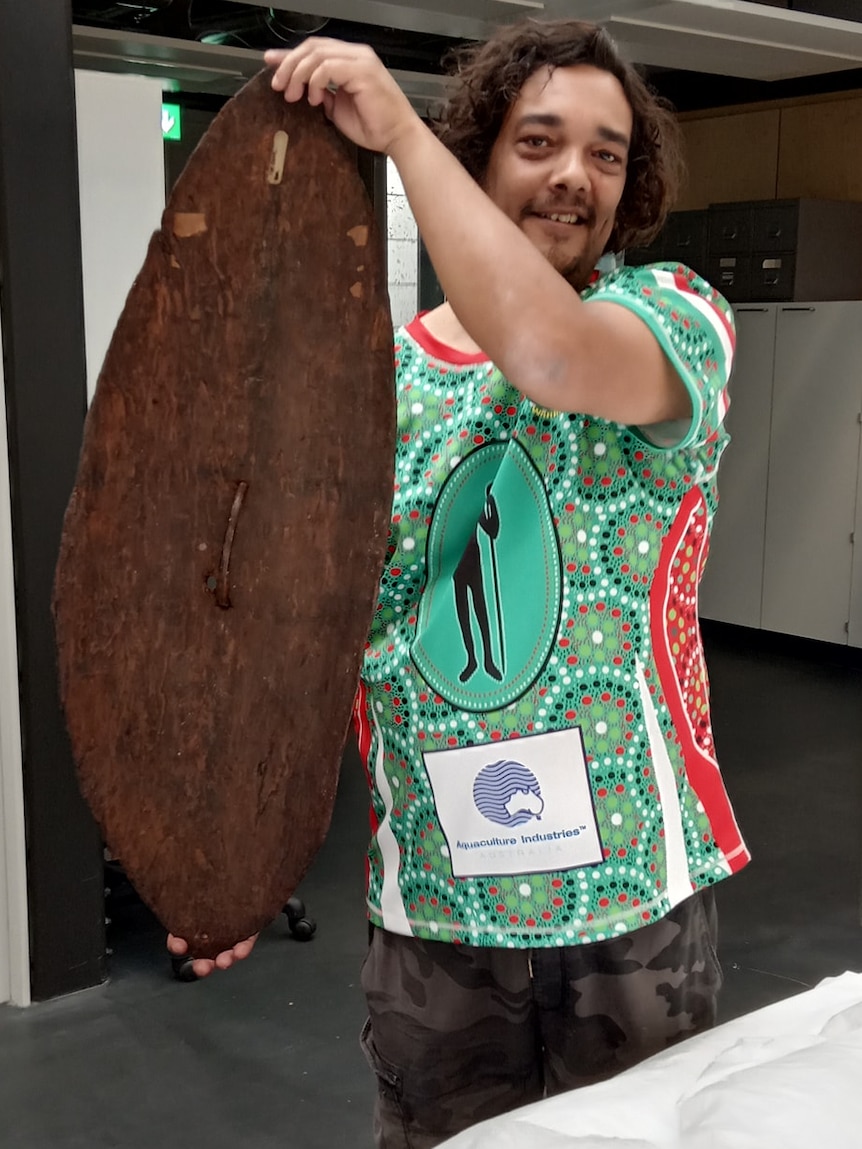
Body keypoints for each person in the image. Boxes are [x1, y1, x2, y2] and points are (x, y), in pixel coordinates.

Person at [169, 18, 749, 1148]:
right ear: (480, 152)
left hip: (631, 901)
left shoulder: (678, 320)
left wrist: (393, 128)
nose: (574, 175)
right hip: (434, 905)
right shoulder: (377, 385)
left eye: (606, 152)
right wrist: (228, 854)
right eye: (537, 142)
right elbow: (311, 639)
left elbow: (548, 356)